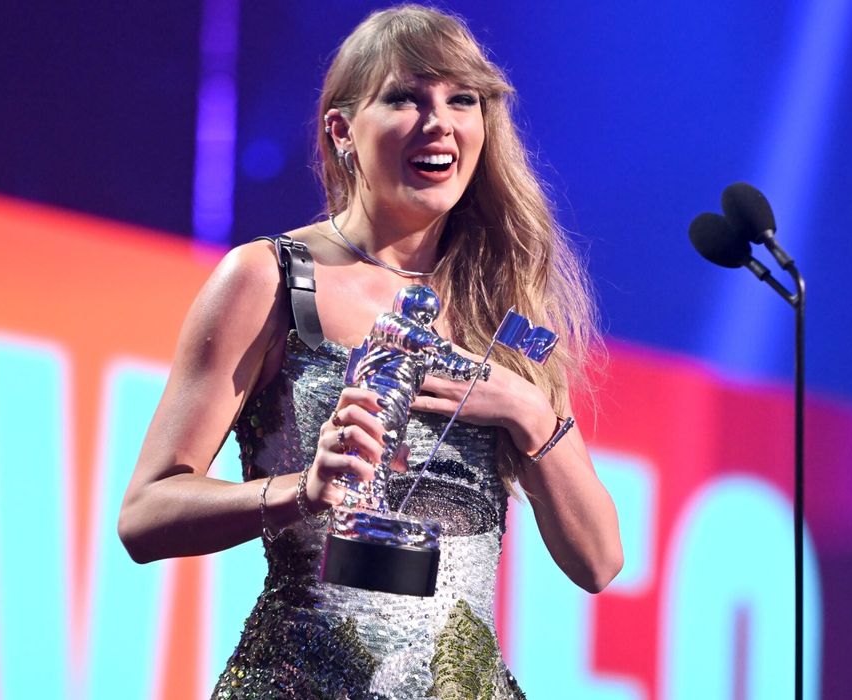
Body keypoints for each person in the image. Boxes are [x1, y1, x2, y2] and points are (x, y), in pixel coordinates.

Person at [117, 5, 622, 699]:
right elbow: (144, 516)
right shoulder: (270, 278)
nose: (438, 121)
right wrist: (303, 491)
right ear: (342, 131)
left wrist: (527, 412)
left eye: (461, 99)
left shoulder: (498, 305)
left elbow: (598, 562)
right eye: (405, 98)